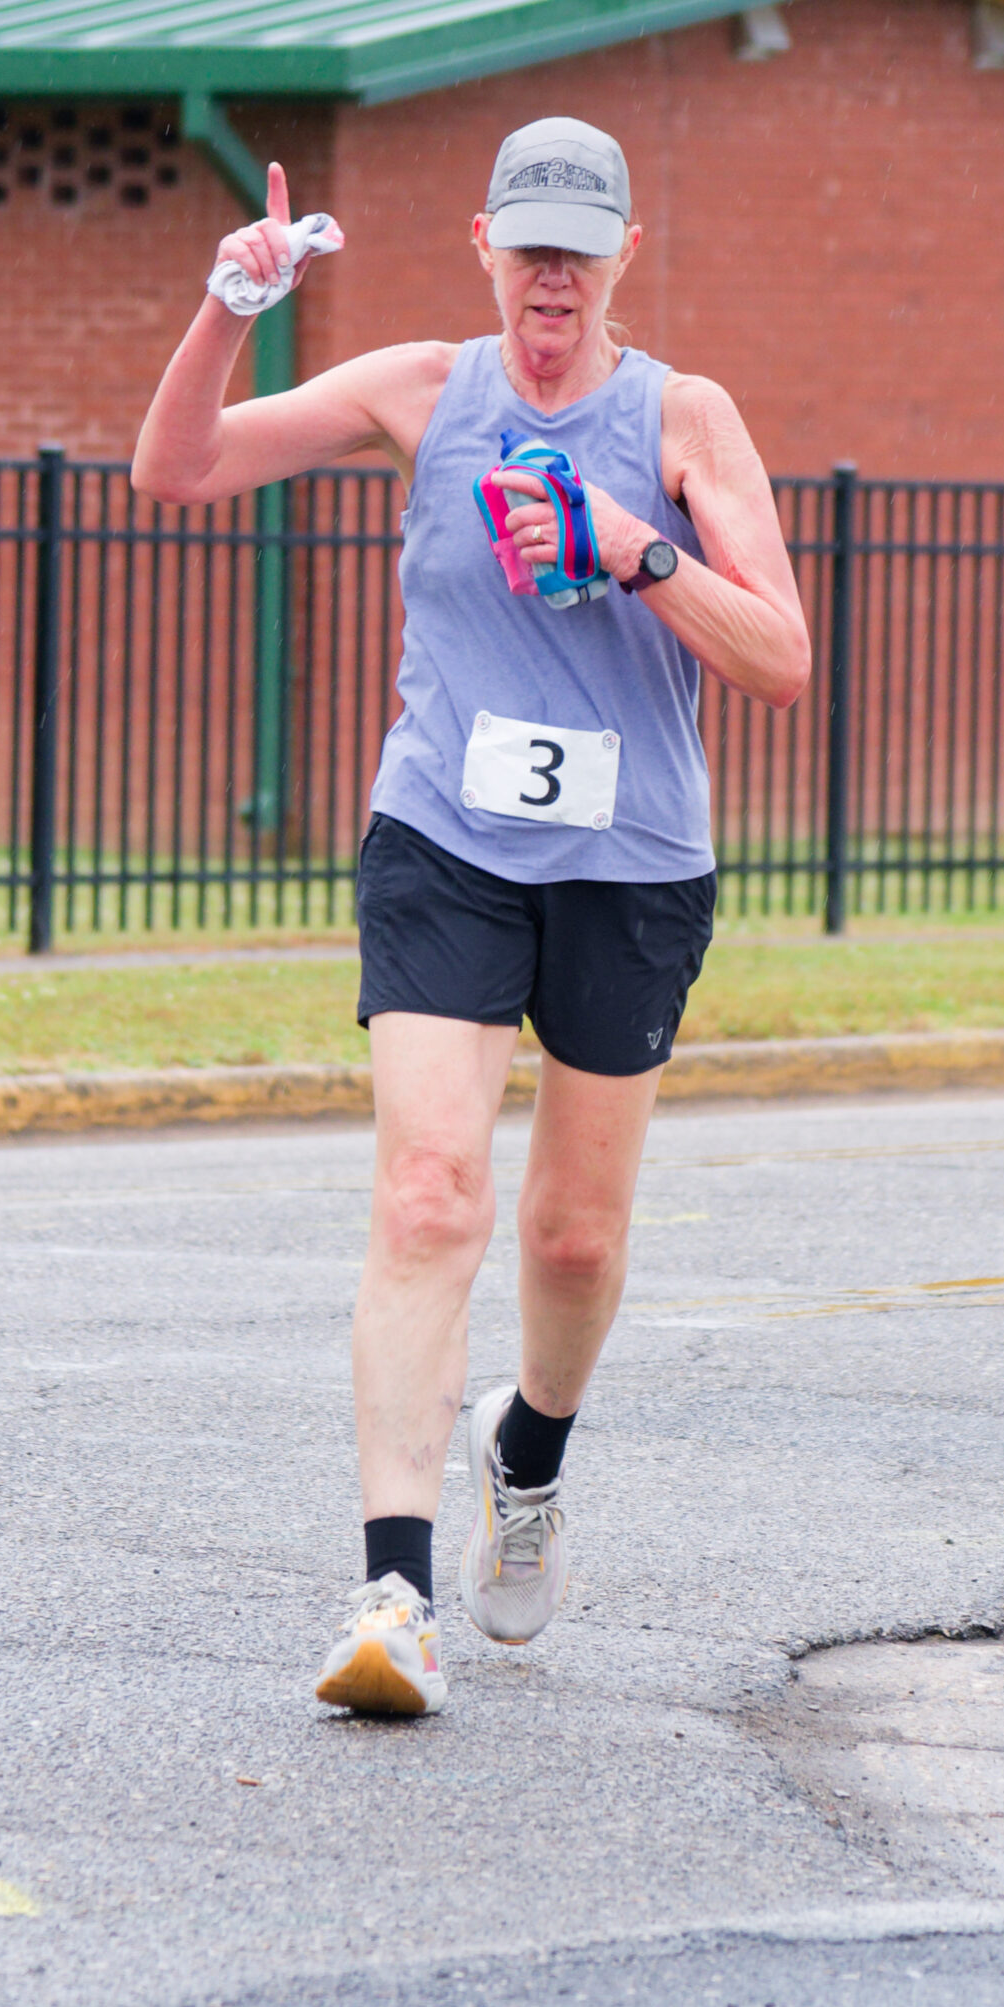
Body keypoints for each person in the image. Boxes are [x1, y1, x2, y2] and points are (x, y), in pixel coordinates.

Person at [133, 116, 810, 1715]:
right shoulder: (423, 391)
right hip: (444, 834)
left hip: (630, 862)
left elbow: (778, 655)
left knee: (570, 1234)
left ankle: (533, 1448)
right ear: (485, 249)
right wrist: (229, 304)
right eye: (529, 246)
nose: (552, 276)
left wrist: (628, 547)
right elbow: (176, 469)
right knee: (430, 1194)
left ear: (624, 258)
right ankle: (391, 1596)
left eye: (582, 248)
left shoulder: (683, 416)